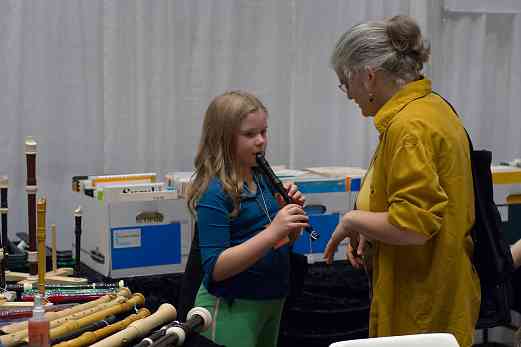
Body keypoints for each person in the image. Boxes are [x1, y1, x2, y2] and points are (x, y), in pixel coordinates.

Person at [323, 15, 480, 347]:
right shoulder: (433, 107)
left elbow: (414, 225)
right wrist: (370, 225)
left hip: (420, 298)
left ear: (367, 77)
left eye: (344, 80)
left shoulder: (409, 127)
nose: (346, 93)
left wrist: (353, 219)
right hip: (440, 287)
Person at [186, 91, 309, 347]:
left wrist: (291, 220)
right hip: (232, 307)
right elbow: (216, 268)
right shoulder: (214, 192)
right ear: (223, 138)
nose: (261, 141)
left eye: (264, 132)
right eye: (250, 134)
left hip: (271, 300)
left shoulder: (263, 180)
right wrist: (273, 231)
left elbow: (282, 243)